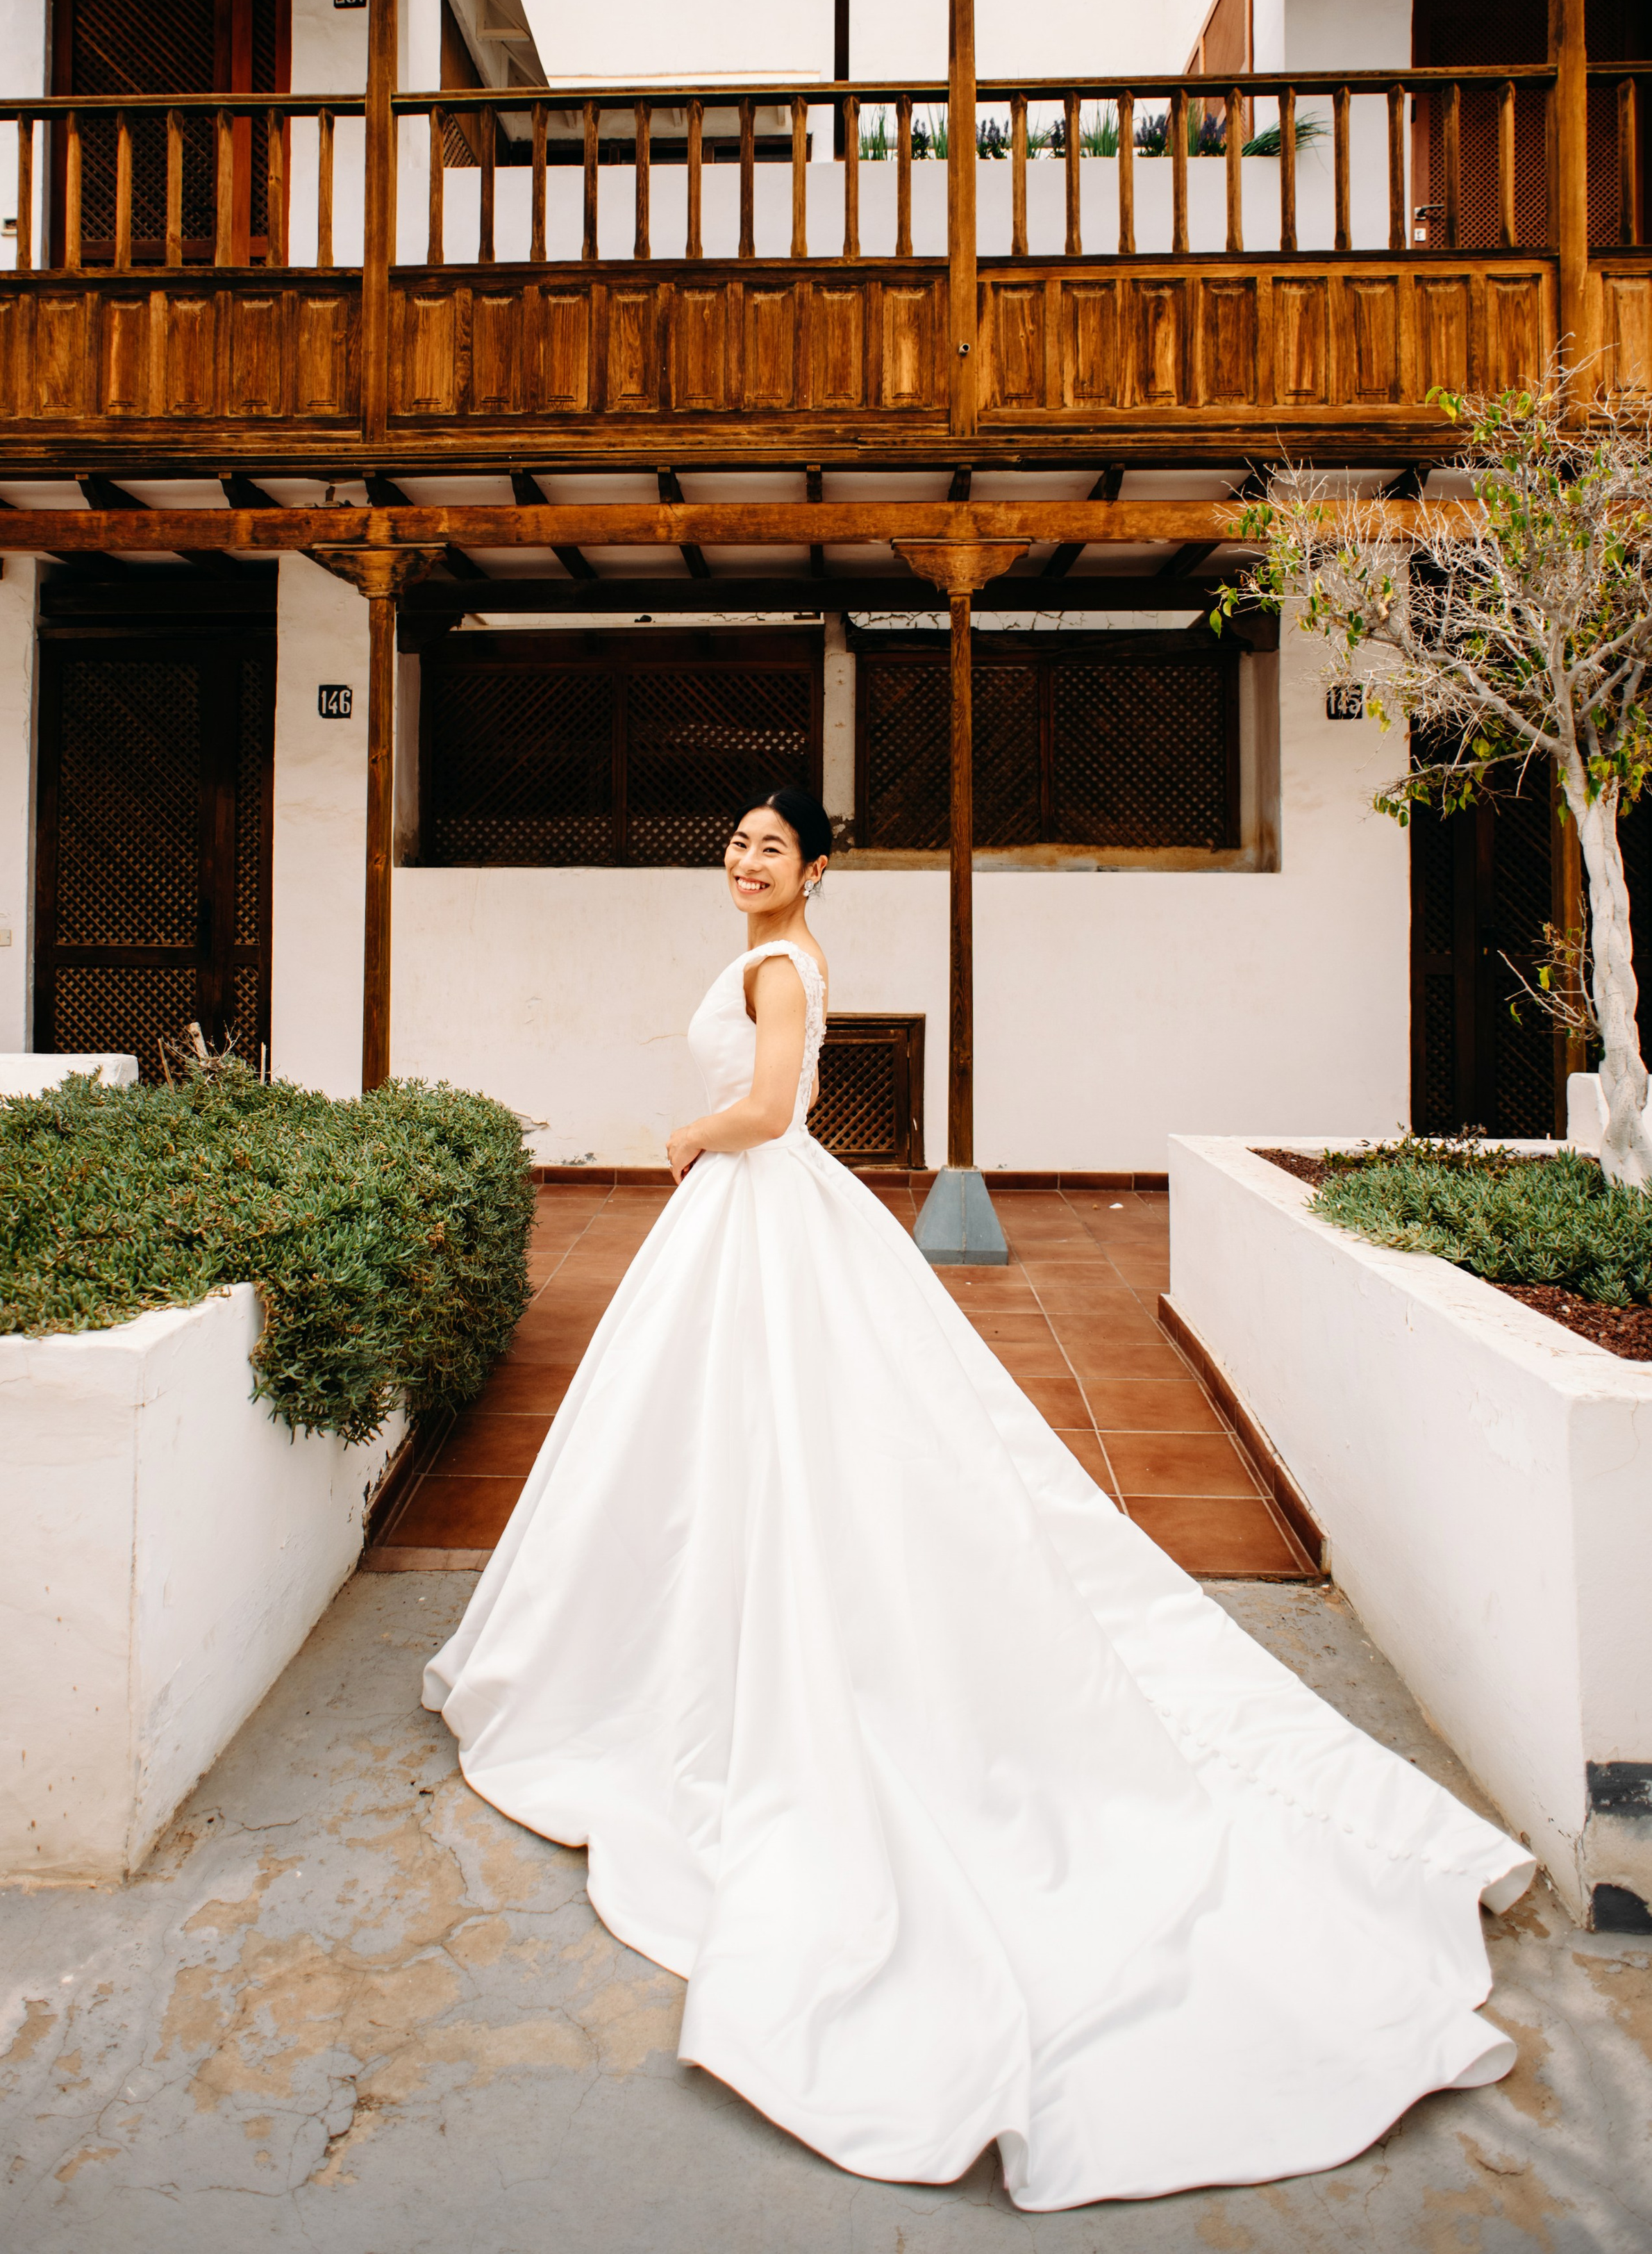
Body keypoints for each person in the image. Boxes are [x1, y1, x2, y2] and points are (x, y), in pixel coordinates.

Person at [423, 786, 1532, 2212]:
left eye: (770, 846)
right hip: (771, 1222)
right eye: (737, 841)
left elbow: (770, 1108)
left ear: (813, 870)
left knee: (763, 1438)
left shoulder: (774, 963)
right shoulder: (786, 954)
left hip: (755, 1203)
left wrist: (694, 1134)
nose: (743, 859)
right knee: (747, 1434)